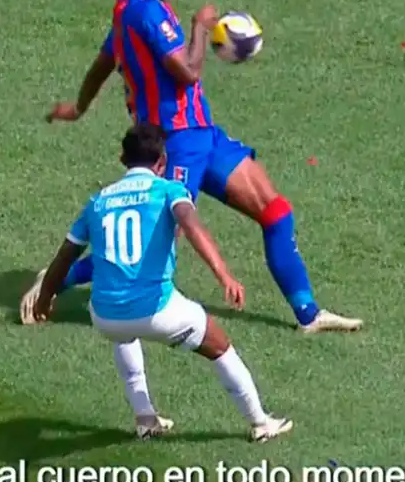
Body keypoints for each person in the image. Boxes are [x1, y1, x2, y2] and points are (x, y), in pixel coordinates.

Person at [29, 0, 360, 333]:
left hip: (204, 134)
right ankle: (55, 281)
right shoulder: (146, 15)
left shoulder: (133, 13)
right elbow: (187, 73)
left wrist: (79, 108)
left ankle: (309, 313)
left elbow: (103, 62)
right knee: (155, 239)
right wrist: (201, 29)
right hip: (177, 141)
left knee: (275, 210)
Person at [25, 124, 293, 443]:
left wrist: (44, 298)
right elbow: (191, 227)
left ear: (123, 158)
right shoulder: (169, 191)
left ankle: (145, 418)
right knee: (219, 346)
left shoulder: (98, 201)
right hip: (158, 311)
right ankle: (261, 422)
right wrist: (224, 274)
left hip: (105, 316)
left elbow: (64, 256)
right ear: (162, 161)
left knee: (123, 332)